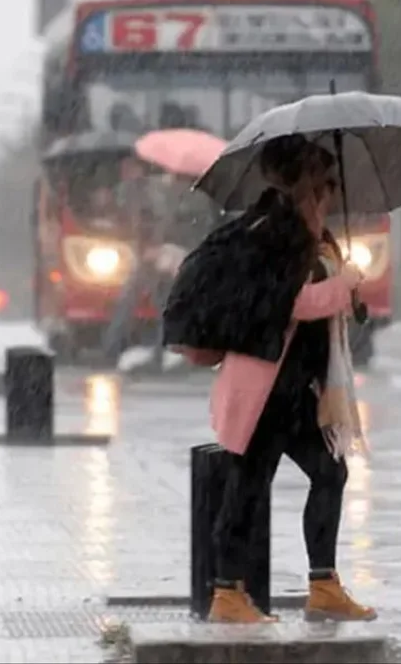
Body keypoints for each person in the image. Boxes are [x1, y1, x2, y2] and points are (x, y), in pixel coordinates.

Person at [162, 135, 374, 624]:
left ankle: (322, 585)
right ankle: (226, 594)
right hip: (265, 386)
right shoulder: (276, 233)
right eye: (326, 186)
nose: (331, 196)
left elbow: (317, 299)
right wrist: (341, 287)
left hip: (294, 386)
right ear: (307, 186)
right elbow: (292, 303)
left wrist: (347, 285)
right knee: (249, 486)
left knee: (327, 473)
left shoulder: (307, 233)